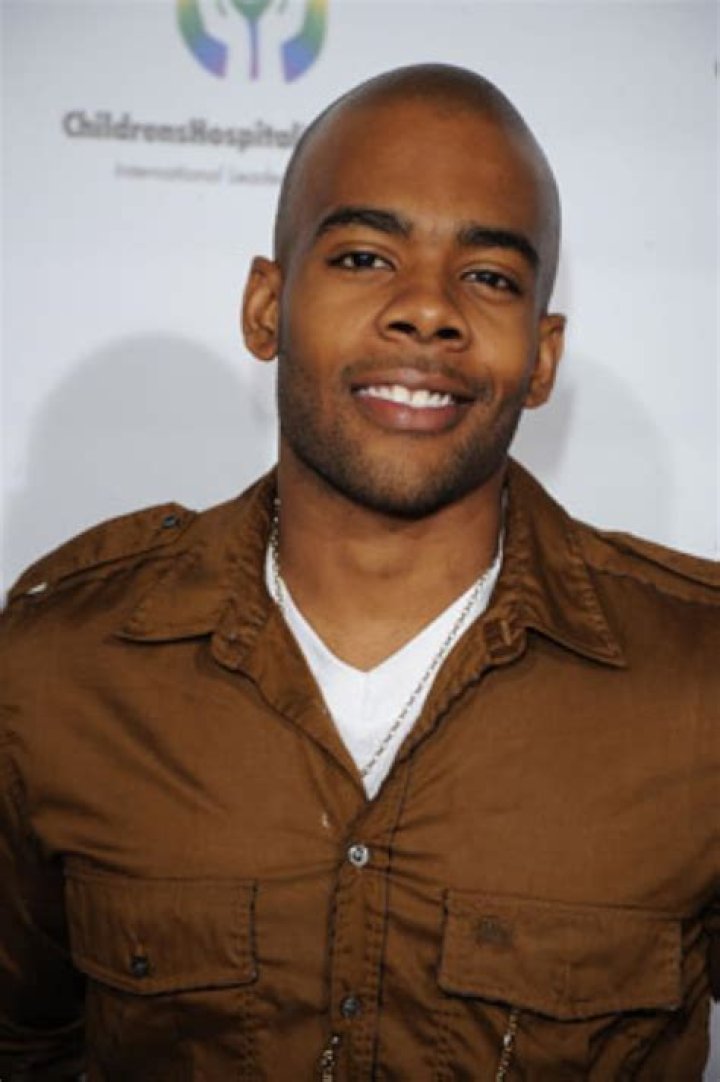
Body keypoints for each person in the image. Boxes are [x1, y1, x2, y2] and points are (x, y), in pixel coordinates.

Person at [0, 63, 717, 1081]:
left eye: (490, 277)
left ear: (543, 356)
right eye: (366, 257)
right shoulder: (58, 667)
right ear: (266, 306)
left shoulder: (700, 679)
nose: (427, 310)